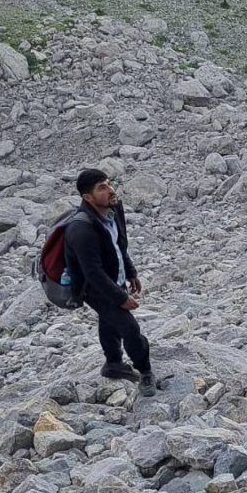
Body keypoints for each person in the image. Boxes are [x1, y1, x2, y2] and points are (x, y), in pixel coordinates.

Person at [64, 169, 156, 396]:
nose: (110, 190)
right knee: (130, 328)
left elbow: (118, 245)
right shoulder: (81, 229)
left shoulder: (113, 210)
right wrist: (121, 298)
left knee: (109, 320)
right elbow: (92, 273)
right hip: (93, 288)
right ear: (88, 198)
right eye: (101, 188)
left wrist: (131, 272)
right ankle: (145, 372)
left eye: (109, 184)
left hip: (114, 277)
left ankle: (113, 363)